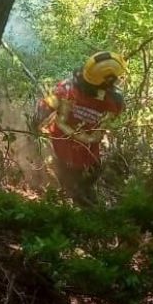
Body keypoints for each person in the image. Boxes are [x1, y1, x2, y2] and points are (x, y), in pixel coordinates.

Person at [33, 52, 127, 206]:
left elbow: (41, 111)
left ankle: (80, 200)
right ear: (108, 80)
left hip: (85, 157)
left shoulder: (68, 88)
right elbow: (42, 110)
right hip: (61, 153)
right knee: (66, 191)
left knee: (81, 192)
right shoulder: (69, 89)